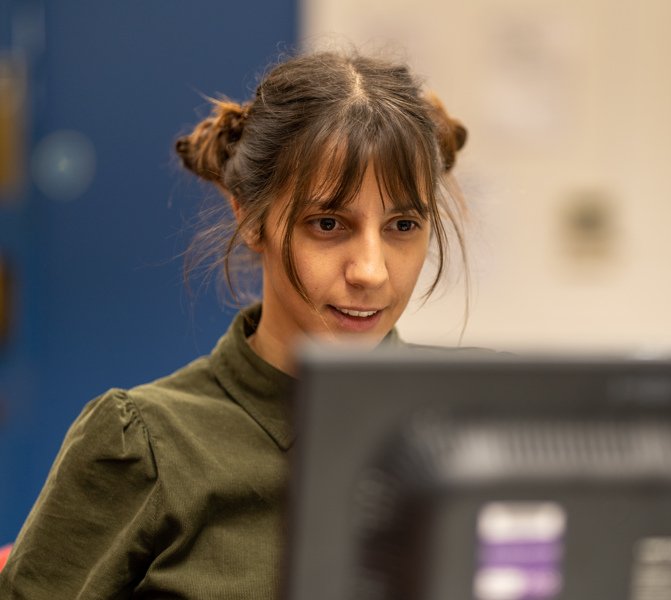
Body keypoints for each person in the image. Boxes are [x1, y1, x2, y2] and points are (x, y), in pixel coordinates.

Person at [0, 49, 469, 598]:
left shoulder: (479, 419)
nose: (370, 271)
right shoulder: (143, 447)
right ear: (250, 216)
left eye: (403, 225)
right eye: (327, 222)